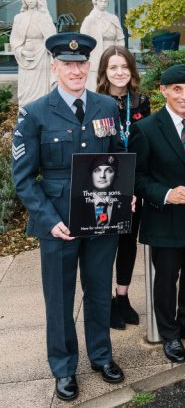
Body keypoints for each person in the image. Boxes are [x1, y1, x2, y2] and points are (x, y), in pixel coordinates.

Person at [12, 32, 126, 401]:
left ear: (89, 66)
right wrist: (47, 219)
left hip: (100, 218)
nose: (75, 70)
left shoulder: (107, 107)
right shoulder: (35, 112)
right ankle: (63, 368)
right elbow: (24, 178)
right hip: (58, 222)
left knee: (97, 291)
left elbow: (118, 158)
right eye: (67, 64)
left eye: (80, 64)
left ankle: (101, 356)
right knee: (59, 299)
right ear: (54, 66)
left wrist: (125, 198)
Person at [130, 64, 185, 364]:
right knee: (166, 280)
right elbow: (137, 177)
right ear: (163, 91)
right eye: (177, 89)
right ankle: (170, 334)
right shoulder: (146, 128)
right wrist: (167, 194)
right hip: (166, 219)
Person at [95, 45, 150, 330]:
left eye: (124, 67)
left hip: (134, 183)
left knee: (129, 240)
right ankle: (104, 302)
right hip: (104, 184)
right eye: (113, 67)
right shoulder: (94, 102)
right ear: (104, 71)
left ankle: (123, 296)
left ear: (132, 70)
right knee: (105, 244)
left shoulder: (141, 102)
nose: (119, 73)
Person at [10, 0, 56, 106]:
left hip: (42, 54)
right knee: (27, 87)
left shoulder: (44, 17)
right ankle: (26, 112)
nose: (30, 0)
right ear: (23, 0)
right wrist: (21, 50)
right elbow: (14, 39)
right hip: (25, 57)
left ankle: (42, 110)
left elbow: (52, 38)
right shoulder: (19, 18)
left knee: (42, 88)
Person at [80, 0, 125, 91]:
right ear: (95, 2)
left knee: (113, 76)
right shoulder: (89, 20)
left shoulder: (113, 18)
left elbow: (120, 38)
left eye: (105, 2)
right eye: (100, 1)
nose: (103, 4)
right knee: (97, 80)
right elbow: (83, 40)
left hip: (113, 52)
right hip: (96, 54)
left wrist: (120, 54)